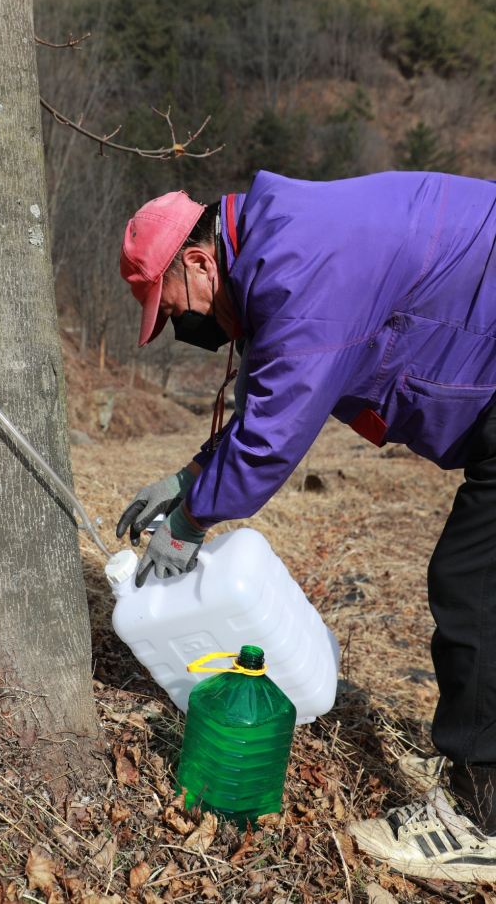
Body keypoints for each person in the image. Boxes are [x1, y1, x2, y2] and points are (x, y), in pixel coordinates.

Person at [116, 176, 496, 881]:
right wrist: (188, 478)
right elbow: (271, 393)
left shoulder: (300, 268)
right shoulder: (279, 244)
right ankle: (481, 754)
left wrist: (192, 518)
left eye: (172, 308)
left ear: (199, 262)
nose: (184, 329)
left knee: (473, 584)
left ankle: (480, 817)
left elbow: (271, 437)